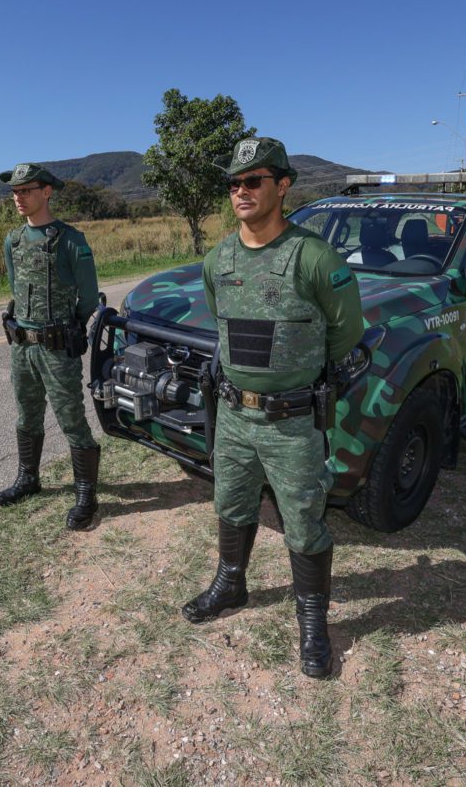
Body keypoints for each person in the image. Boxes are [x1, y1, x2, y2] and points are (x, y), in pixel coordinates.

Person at [182, 137, 365, 678]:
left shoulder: (313, 257)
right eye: (233, 183)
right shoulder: (218, 260)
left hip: (292, 421)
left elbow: (346, 332)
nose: (241, 191)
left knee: (304, 521)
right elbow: (221, 323)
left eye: (253, 181)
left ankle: (312, 620)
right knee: (230, 503)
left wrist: (297, 375)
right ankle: (230, 583)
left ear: (282, 186)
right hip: (234, 415)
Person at [0, 162, 102, 530]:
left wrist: (72, 326)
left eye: (26, 190)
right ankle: (28, 478)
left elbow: (89, 297)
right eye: (15, 192)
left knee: (71, 419)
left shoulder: (70, 240)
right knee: (26, 415)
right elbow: (15, 286)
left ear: (47, 192)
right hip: (21, 346)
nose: (18, 198)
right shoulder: (13, 241)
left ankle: (86, 493)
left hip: (57, 348)